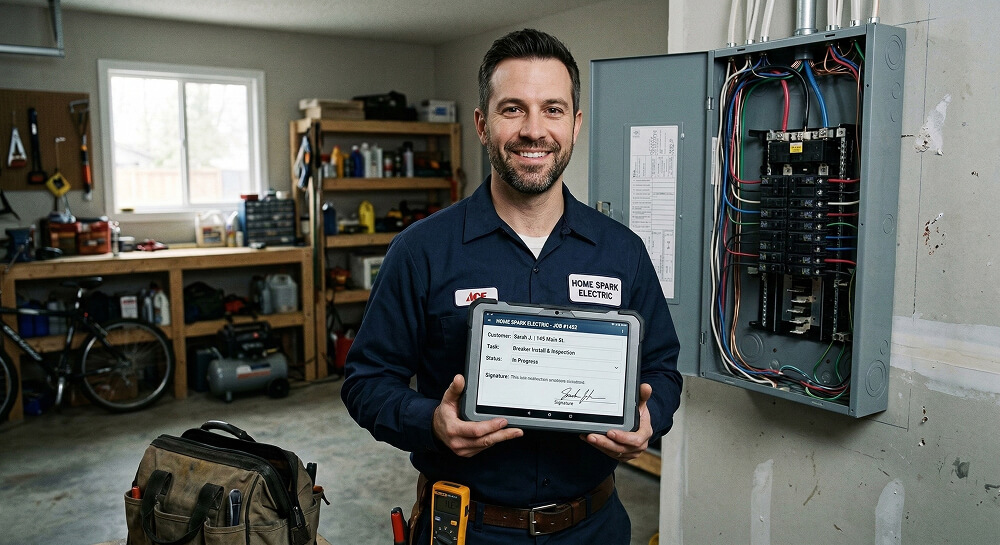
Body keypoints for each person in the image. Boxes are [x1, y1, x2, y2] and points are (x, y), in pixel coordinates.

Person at [341, 28, 682, 544]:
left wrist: (647, 418)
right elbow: (366, 381)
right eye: (512, 109)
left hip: (593, 529)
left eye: (552, 109)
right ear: (482, 124)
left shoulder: (622, 252)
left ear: (575, 124)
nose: (534, 130)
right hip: (468, 531)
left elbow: (662, 368)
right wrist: (431, 421)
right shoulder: (421, 251)